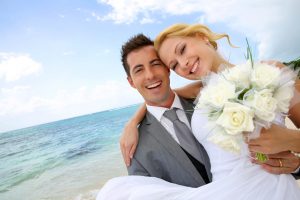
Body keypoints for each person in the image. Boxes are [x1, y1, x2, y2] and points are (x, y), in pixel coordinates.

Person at [97, 24, 300, 200]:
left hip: (269, 187)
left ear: (201, 37)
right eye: (174, 64)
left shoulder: (271, 71)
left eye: (182, 49)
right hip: (224, 190)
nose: (183, 63)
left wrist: (290, 141)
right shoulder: (200, 91)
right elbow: (159, 96)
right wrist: (132, 123)